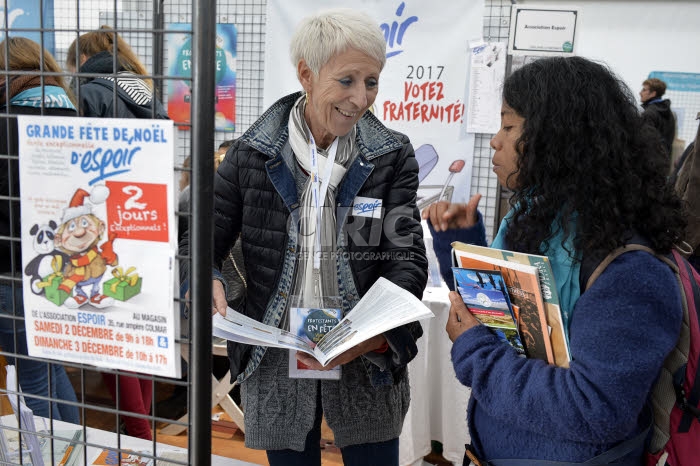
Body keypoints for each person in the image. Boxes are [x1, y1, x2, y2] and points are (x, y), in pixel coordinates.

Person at [179, 8, 427, 465]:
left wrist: (375, 337)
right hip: (277, 356)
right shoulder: (251, 154)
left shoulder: (390, 157)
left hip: (364, 359)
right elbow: (202, 234)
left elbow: (405, 256)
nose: (361, 97)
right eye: (347, 80)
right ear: (307, 75)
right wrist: (205, 275)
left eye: (371, 81)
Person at [422, 56, 686, 465]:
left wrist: (474, 351)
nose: (495, 140)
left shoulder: (630, 272)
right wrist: (458, 242)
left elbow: (593, 408)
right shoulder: (540, 221)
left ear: (557, 138)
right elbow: (500, 322)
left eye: (509, 126)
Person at [66, 25, 167, 440]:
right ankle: (143, 431)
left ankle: (138, 435)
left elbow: (80, 162)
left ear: (83, 60)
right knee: (138, 331)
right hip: (145, 220)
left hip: (103, 223)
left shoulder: (91, 93)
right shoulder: (144, 92)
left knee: (113, 338)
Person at [0, 37, 81, 423]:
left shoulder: (5, 120)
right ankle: (75, 445)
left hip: (11, 270)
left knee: (31, 374)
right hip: (59, 267)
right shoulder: (70, 115)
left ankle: (51, 453)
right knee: (49, 367)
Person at [65, 25, 167, 119]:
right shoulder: (143, 88)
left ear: (82, 59)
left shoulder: (86, 94)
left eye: (72, 71)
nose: (73, 77)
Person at [639, 77, 676, 160]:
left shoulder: (648, 113)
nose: (640, 93)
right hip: (664, 160)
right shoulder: (669, 112)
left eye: (644, 90)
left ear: (653, 93)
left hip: (648, 161)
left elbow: (645, 140)